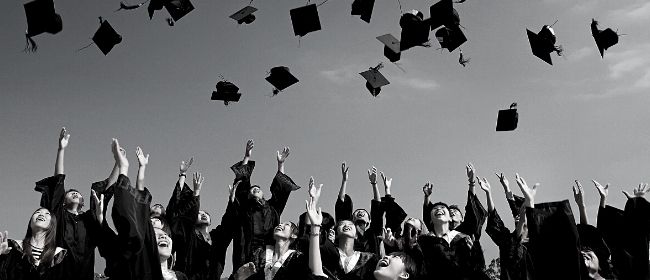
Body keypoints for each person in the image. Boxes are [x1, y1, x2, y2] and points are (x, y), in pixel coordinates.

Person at [33, 127, 106, 280]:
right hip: (59, 273)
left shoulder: (88, 219)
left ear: (82, 201)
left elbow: (107, 188)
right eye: (70, 193)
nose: (74, 193)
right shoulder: (59, 216)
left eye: (77, 193)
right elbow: (59, 180)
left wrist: (119, 165)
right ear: (64, 201)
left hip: (84, 273)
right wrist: (61, 149)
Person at [306, 188, 417, 280]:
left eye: (364, 213)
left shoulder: (371, 257)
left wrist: (378, 186)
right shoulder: (331, 251)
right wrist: (315, 226)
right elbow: (318, 272)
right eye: (343, 224)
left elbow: (377, 215)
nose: (387, 257)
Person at [230, 140, 301, 270]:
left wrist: (281, 164)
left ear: (263, 194)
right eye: (252, 189)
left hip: (269, 253)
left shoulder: (272, 208)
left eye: (258, 188)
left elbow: (280, 189)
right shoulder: (244, 209)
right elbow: (241, 185)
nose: (255, 189)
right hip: (245, 253)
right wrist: (246, 157)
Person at [171, 170, 237, 280]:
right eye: (199, 213)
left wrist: (231, 201)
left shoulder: (217, 237)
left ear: (211, 221)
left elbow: (228, 224)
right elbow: (184, 220)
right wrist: (196, 194)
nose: (203, 215)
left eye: (206, 214)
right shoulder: (188, 235)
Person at [484, 173, 534, 280]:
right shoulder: (508, 241)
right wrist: (490, 193)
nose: (518, 217)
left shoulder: (538, 241)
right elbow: (494, 217)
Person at [0, 208, 68, 280]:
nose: (41, 214)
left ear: (52, 224)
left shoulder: (60, 256)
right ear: (30, 223)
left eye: (47, 214)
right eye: (38, 212)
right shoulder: (12, 247)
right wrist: (1, 256)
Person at [232, 220, 308, 280]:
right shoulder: (259, 254)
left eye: (287, 224)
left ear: (294, 235)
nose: (280, 225)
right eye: (280, 223)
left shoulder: (296, 258)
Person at [335, 165, 384, 254]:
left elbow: (378, 208)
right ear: (352, 219)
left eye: (364, 212)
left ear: (369, 221)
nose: (360, 212)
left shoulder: (372, 234)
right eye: (357, 212)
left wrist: (374, 184)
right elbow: (341, 205)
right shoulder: (346, 231)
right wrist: (344, 181)